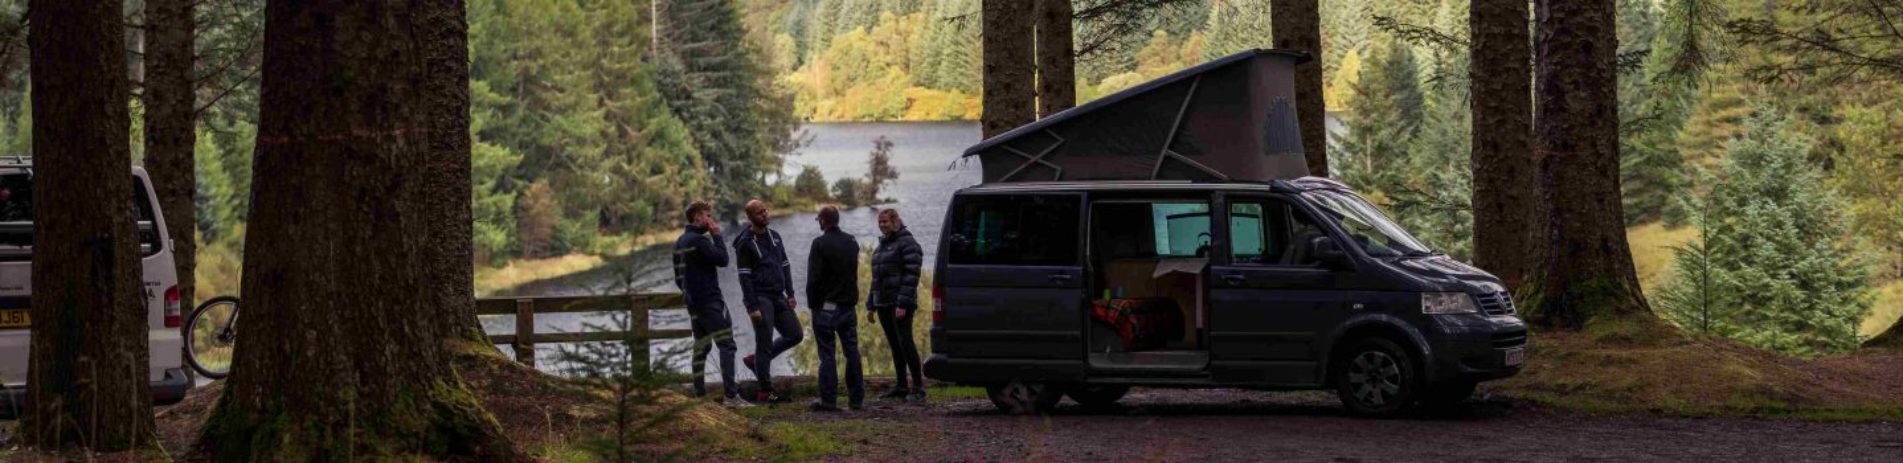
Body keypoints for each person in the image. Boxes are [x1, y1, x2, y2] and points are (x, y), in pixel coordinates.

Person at [671, 201, 746, 407]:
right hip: (711, 301)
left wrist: (689, 294)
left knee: (701, 346)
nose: (711, 220)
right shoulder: (700, 241)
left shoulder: (679, 241)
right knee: (727, 345)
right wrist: (716, 235)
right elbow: (723, 259)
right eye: (708, 215)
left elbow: (678, 277)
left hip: (693, 303)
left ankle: (699, 393)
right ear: (697, 217)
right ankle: (731, 397)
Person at [734, 199, 802, 404]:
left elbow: (786, 265)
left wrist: (790, 293)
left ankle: (756, 361)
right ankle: (766, 391)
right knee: (764, 341)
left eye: (765, 210)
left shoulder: (775, 237)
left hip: (778, 295)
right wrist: (751, 307)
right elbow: (744, 277)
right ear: (750, 217)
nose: (764, 214)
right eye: (759, 212)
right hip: (761, 298)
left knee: (795, 334)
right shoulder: (745, 243)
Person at [805, 206, 864, 412]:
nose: (818, 222)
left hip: (827, 307)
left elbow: (813, 279)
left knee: (827, 354)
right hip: (848, 306)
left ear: (823, 221)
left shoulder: (819, 244)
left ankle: (829, 400)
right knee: (852, 352)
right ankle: (856, 399)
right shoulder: (852, 242)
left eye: (818, 219)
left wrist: (813, 305)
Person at [869, 208, 926, 403]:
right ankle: (901, 386)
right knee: (895, 344)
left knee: (905, 342)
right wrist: (871, 304)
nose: (882, 224)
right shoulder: (883, 246)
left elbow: (912, 274)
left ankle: (918, 387)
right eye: (880, 221)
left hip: (900, 303)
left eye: (885, 221)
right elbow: (877, 277)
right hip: (883, 302)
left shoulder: (907, 243)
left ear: (895, 221)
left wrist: (902, 303)